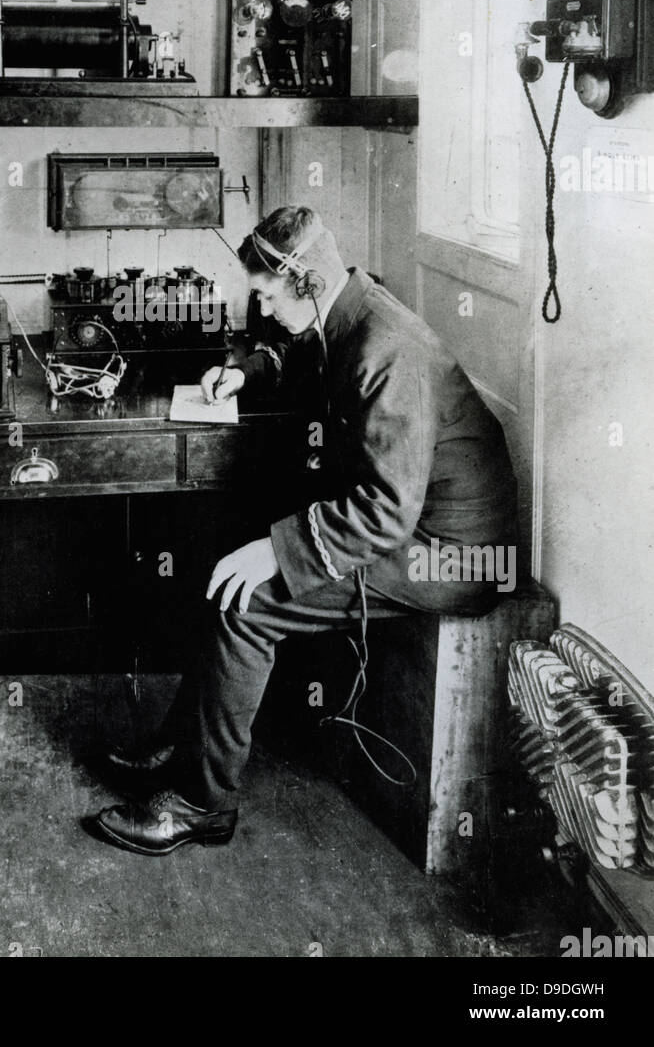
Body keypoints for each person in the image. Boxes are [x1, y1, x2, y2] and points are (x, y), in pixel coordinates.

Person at [85, 206, 518, 856]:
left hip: (451, 558)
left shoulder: (386, 348)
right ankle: (186, 743)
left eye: (264, 293)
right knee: (236, 559)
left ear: (306, 284)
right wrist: (246, 371)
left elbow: (387, 513)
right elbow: (303, 351)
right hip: (414, 528)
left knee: (248, 603)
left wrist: (277, 550)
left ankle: (202, 804)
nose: (259, 303)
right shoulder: (352, 307)